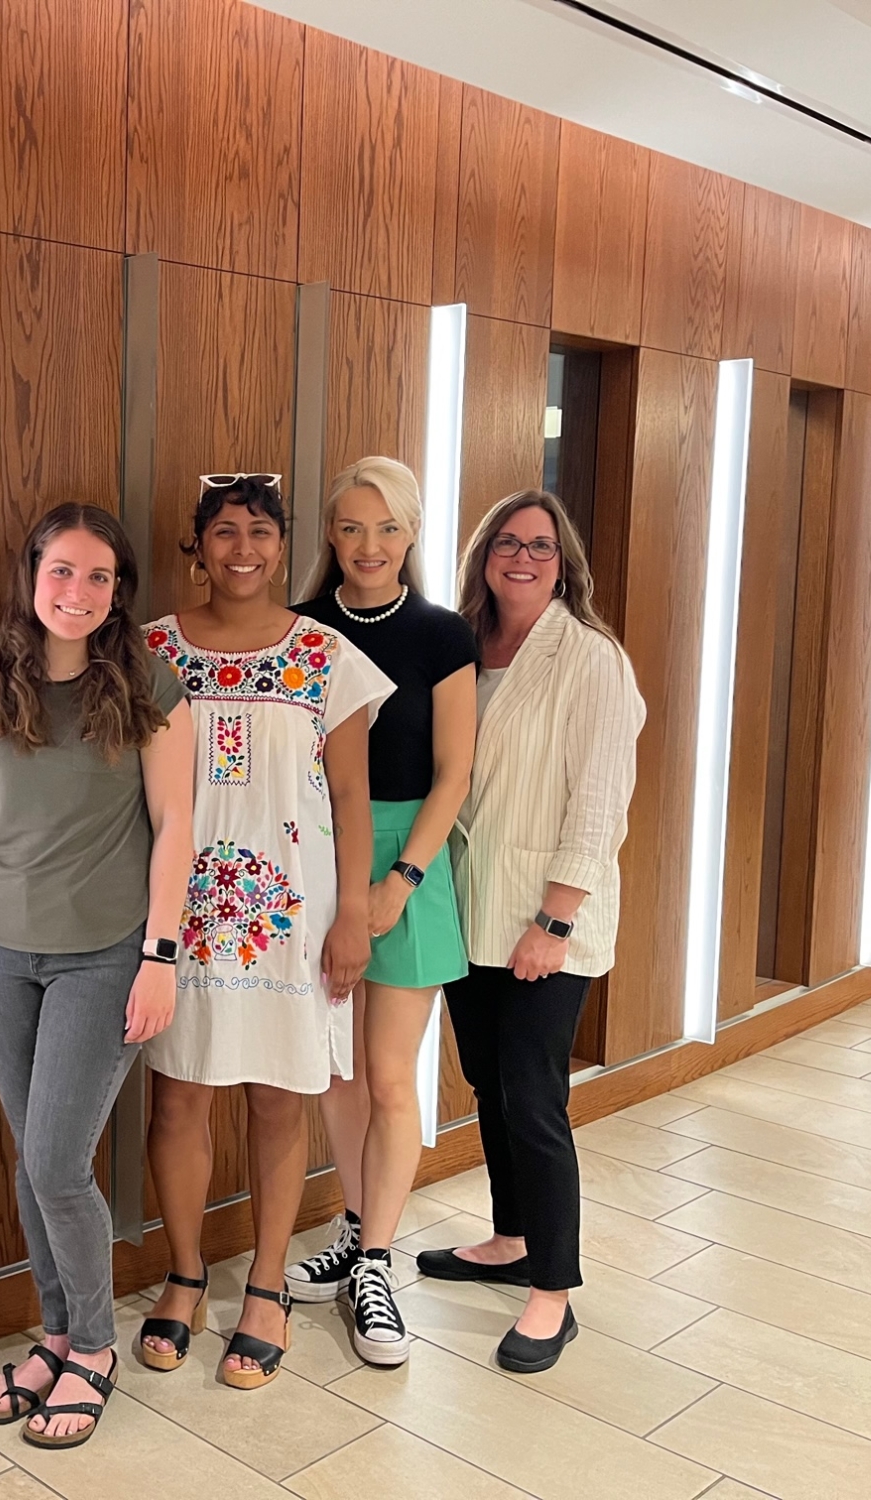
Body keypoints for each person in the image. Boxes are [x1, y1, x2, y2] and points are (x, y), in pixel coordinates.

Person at [0, 502, 195, 1448]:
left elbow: (177, 832)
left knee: (54, 1163)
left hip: (107, 953)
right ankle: (56, 1332)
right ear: (31, 574)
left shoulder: (151, 683)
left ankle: (96, 1347)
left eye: (99, 577)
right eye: (62, 572)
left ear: (119, 593)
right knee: (32, 1160)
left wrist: (160, 958)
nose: (76, 593)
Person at [136, 474, 391, 1390]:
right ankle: (184, 1276)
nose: (242, 548)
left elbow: (355, 795)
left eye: (260, 532)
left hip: (295, 911)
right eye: (224, 531)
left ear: (285, 546)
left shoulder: (325, 654)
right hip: (183, 911)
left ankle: (270, 1287)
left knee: (279, 1098)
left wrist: (355, 912)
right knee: (178, 1097)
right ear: (196, 545)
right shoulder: (151, 650)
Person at [414, 489, 644, 1374]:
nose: (522, 557)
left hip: (545, 920)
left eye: (540, 545)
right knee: (488, 1084)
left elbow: (601, 800)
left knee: (535, 1101)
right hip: (468, 908)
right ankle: (511, 1240)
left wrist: (555, 919)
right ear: (483, 555)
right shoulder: (467, 649)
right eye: (505, 542)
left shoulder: (590, 658)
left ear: (564, 561)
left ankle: (553, 1291)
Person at [286, 458, 475, 1366]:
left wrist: (399, 880)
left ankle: (378, 1261)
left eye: (387, 528)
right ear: (332, 536)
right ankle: (357, 1225)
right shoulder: (302, 630)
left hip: (410, 864)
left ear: (411, 535)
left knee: (391, 1076)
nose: (369, 546)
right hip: (314, 859)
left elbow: (454, 776)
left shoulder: (444, 635)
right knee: (336, 1073)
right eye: (353, 528)